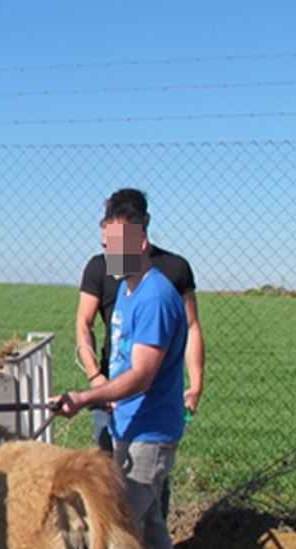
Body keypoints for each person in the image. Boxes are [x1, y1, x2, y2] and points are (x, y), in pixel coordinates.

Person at [58, 202, 190, 549]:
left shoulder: (153, 297)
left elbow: (143, 374)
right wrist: (105, 392)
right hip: (129, 425)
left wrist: (84, 396)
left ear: (141, 242)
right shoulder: (131, 291)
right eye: (104, 246)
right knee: (151, 528)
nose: (107, 255)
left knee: (116, 536)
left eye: (115, 246)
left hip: (148, 435)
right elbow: (123, 364)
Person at [75, 188, 205, 514]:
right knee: (108, 485)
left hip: (149, 404)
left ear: (143, 225)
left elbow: (191, 328)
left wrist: (196, 384)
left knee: (139, 503)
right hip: (108, 396)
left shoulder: (172, 272)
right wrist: (96, 380)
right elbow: (83, 323)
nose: (111, 252)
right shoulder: (102, 269)